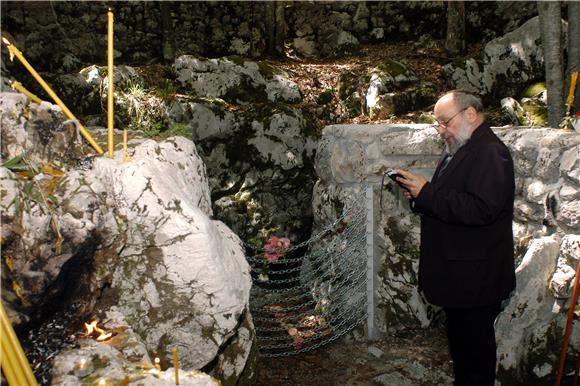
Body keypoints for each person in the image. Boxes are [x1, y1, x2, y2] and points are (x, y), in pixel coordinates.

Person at [395, 90, 516, 386]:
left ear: (470, 114)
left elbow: (482, 209)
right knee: (464, 355)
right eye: (438, 123)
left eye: (444, 121)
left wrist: (428, 194)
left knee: (475, 360)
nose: (441, 130)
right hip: (462, 278)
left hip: (475, 279)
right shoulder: (463, 147)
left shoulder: (489, 151)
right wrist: (419, 195)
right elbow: (451, 200)